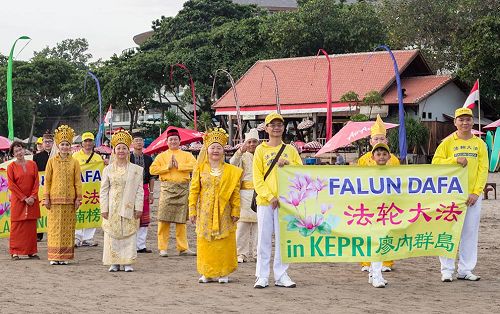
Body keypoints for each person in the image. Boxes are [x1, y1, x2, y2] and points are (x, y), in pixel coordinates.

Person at [432, 107, 488, 282]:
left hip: (471, 197)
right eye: (461, 120)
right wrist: (454, 160)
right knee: (448, 232)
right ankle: (447, 269)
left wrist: (476, 192)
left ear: (472, 122)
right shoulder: (447, 143)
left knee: (470, 233)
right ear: (455, 122)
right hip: (450, 196)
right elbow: (436, 162)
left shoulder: (480, 144)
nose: (465, 123)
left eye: (468, 119)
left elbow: (483, 169)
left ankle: (465, 269)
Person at [253, 112, 303, 289]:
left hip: (286, 203)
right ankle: (262, 275)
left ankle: (281, 274)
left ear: (284, 127)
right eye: (272, 125)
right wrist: (269, 196)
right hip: (266, 202)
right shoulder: (260, 150)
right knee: (263, 240)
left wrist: (288, 164)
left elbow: (301, 172)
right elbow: (257, 178)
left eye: (279, 124)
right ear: (266, 128)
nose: (276, 128)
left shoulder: (290, 150)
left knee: (283, 239)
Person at [188, 128, 242, 283]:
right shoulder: (200, 168)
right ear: (207, 149)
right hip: (205, 212)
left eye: (219, 147)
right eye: (213, 147)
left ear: (223, 150)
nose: (215, 150)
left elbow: (235, 192)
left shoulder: (231, 171)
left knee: (223, 242)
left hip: (224, 211)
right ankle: (207, 272)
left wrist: (236, 209)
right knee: (206, 242)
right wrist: (192, 209)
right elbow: (194, 190)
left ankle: (223, 272)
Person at [357, 114, 399, 272]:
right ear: (370, 141)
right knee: (367, 232)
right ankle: (366, 263)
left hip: (387, 202)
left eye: (382, 139)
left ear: (386, 141)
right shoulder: (363, 160)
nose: (379, 142)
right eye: (376, 139)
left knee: (387, 231)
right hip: (368, 202)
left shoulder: (393, 159)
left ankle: (386, 262)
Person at [100, 130, 144, 272]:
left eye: (124, 148)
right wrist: (104, 208)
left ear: (128, 150)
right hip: (112, 206)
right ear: (114, 150)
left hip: (129, 206)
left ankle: (127, 262)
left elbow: (139, 190)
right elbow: (104, 190)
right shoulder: (107, 170)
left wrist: (139, 207)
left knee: (128, 233)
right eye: (118, 148)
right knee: (113, 233)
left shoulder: (136, 170)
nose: (121, 151)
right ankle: (114, 262)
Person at [150, 129, 197, 257]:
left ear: (180, 141)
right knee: (163, 220)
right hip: (167, 189)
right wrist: (167, 167)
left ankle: (183, 248)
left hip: (182, 188)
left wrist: (180, 165)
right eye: (171, 139)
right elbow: (152, 170)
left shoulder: (187, 155)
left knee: (181, 221)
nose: (173, 141)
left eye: (175, 139)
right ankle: (162, 248)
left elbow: (195, 166)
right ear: (167, 141)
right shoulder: (161, 156)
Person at [44, 125, 82, 265]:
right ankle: (54, 256)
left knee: (67, 228)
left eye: (67, 144)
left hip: (69, 200)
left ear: (70, 146)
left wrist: (78, 198)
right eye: (62, 144)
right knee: (54, 228)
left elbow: (78, 181)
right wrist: (46, 198)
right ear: (58, 146)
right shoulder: (52, 161)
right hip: (54, 200)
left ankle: (65, 257)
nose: (65, 147)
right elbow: (47, 181)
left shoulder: (75, 162)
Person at [7, 141, 41, 260]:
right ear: (13, 154)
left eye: (20, 149)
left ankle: (31, 251)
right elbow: (11, 185)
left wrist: (32, 196)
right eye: (16, 151)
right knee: (17, 226)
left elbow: (36, 182)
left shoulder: (33, 164)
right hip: (19, 201)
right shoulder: (11, 167)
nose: (19, 152)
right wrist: (24, 198)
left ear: (24, 150)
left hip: (32, 200)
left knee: (31, 226)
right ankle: (15, 252)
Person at [230, 128, 259, 263]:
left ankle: (258, 253)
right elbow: (232, 164)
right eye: (250, 142)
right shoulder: (242, 155)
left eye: (254, 141)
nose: (252, 144)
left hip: (260, 193)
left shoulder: (261, 154)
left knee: (260, 227)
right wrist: (240, 151)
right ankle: (241, 253)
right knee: (242, 226)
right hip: (244, 194)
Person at [368, 142, 392, 288]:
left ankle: (372, 273)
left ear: (389, 156)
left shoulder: (392, 172)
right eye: (378, 154)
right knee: (377, 242)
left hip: (387, 213)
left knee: (381, 242)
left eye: (384, 154)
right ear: (373, 157)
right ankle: (377, 275)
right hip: (372, 213)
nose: (381, 157)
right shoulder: (368, 173)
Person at [73, 132, 103, 247]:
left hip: (93, 190)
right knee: (79, 212)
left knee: (92, 211)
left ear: (93, 143)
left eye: (90, 141)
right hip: (80, 190)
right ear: (82, 143)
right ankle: (77, 237)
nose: (88, 143)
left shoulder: (97, 157)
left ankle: (88, 238)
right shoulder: (75, 156)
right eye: (85, 141)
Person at [130, 134, 155, 253]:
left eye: (141, 140)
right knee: (130, 215)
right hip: (130, 189)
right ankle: (131, 245)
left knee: (144, 218)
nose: (139, 142)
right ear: (132, 143)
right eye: (136, 140)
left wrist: (151, 192)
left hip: (144, 188)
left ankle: (141, 245)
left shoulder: (148, 158)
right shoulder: (128, 157)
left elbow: (151, 177)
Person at [33, 132, 54, 242]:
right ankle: (39, 233)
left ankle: (53, 232)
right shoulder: (36, 157)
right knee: (41, 209)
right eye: (45, 142)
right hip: (42, 186)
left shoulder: (56, 155)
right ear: (42, 143)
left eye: (50, 142)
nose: (47, 144)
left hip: (55, 186)